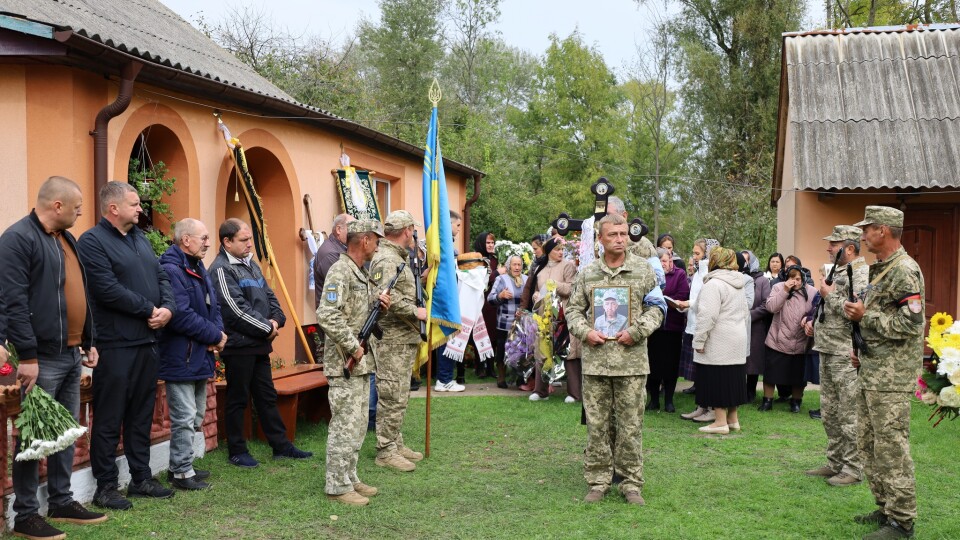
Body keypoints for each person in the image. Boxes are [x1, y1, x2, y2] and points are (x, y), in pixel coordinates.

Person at [0, 177, 107, 538]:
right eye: (76, 205)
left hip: (70, 352)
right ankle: (26, 515)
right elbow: (13, 303)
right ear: (57, 205)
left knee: (63, 432)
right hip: (40, 359)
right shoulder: (17, 239)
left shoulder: (66, 239)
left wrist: (88, 339)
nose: (81, 211)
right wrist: (27, 356)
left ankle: (61, 500)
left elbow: (79, 292)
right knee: (32, 437)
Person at [77, 181, 177, 510]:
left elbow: (161, 275)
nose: (140, 209)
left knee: (140, 414)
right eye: (134, 204)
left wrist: (167, 308)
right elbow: (105, 288)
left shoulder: (140, 238)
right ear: (113, 208)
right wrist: (148, 309)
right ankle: (105, 487)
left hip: (147, 341)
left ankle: (141, 478)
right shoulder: (92, 241)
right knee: (110, 416)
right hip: (116, 343)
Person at [565, 213, 664, 506]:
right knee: (597, 425)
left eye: (623, 234)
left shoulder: (643, 270)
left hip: (631, 363)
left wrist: (637, 330)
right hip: (596, 362)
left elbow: (658, 308)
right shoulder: (588, 273)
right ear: (601, 239)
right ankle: (598, 481)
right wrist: (585, 332)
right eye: (614, 235)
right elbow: (572, 311)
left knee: (631, 424)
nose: (620, 239)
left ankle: (631, 483)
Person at [842, 206, 924, 539]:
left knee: (892, 448)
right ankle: (886, 507)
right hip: (873, 371)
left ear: (884, 231)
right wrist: (862, 347)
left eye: (867, 228)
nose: (862, 235)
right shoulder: (881, 268)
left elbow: (911, 323)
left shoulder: (904, 270)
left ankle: (902, 521)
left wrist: (865, 318)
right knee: (869, 445)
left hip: (892, 379)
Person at [209, 218, 312, 468]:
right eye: (243, 240)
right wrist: (267, 328)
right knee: (238, 398)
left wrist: (276, 321)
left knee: (266, 396)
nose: (249, 245)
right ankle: (237, 450)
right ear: (227, 241)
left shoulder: (251, 264)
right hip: (239, 346)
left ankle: (281, 445)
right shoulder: (221, 269)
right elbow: (235, 310)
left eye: (250, 240)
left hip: (259, 344)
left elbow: (270, 297)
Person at [316, 219, 391, 506]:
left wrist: (381, 308)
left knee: (358, 424)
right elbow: (327, 315)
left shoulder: (360, 272)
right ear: (365, 240)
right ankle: (336, 485)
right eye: (377, 240)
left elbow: (360, 316)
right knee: (344, 424)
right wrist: (352, 347)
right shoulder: (340, 270)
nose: (378, 245)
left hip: (361, 362)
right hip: (344, 363)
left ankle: (350, 477)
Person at [157, 218, 226, 491]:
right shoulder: (171, 270)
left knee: (196, 415)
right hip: (180, 356)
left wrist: (218, 333)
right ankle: (181, 473)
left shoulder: (198, 267)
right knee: (184, 416)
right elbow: (180, 316)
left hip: (200, 353)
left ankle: (184, 464)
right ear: (186, 240)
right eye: (204, 238)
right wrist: (214, 335)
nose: (209, 243)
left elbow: (214, 306)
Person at [802, 225, 867, 488]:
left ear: (849, 248)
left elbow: (855, 311)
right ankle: (835, 462)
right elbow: (827, 305)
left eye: (833, 243)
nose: (828, 248)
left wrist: (830, 298)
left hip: (845, 352)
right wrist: (813, 322)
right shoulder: (837, 271)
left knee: (849, 413)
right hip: (827, 348)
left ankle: (853, 467)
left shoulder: (861, 274)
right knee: (830, 412)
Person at [368, 211, 427, 473]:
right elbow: (383, 299)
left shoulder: (398, 258)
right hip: (391, 340)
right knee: (392, 395)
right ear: (407, 230)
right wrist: (416, 312)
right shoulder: (386, 260)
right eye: (413, 229)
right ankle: (385, 450)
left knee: (400, 394)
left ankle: (395, 441)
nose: (414, 234)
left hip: (404, 339)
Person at [691, 247, 749, 434]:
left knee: (716, 378)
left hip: (718, 339)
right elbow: (745, 313)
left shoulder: (714, 284)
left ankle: (720, 422)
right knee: (732, 378)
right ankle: (733, 420)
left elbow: (707, 316)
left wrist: (699, 341)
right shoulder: (739, 283)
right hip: (737, 338)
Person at [522, 236, 577, 401]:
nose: (560, 252)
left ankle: (574, 393)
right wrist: (535, 296)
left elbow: (572, 288)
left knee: (569, 351)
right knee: (543, 351)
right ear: (549, 252)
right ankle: (541, 391)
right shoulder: (541, 269)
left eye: (562, 250)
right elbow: (536, 290)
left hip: (563, 315)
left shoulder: (568, 266)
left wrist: (556, 285)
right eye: (557, 250)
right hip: (544, 316)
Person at [758, 264, 816, 413]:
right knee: (771, 373)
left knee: (798, 376)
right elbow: (771, 308)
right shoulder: (778, 287)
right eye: (791, 278)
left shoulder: (812, 292)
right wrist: (785, 290)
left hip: (800, 340)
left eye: (798, 279)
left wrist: (809, 320)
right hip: (777, 338)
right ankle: (767, 401)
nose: (795, 282)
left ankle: (796, 402)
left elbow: (815, 312)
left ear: (803, 279)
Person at [646, 247, 690, 412]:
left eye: (667, 260)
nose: (666, 264)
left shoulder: (679, 274)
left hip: (672, 327)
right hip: (654, 328)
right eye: (662, 261)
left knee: (671, 366)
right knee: (653, 365)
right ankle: (654, 400)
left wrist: (664, 302)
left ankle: (669, 401)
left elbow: (683, 295)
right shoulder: (650, 276)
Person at [678, 238, 717, 421]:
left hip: (704, 326)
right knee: (698, 371)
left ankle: (711, 407)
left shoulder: (710, 271)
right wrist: (684, 306)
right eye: (693, 253)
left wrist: (688, 304)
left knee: (707, 370)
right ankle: (701, 406)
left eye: (697, 253)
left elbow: (706, 299)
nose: (694, 256)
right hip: (692, 323)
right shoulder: (698, 271)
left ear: (707, 253)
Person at [433, 211, 466, 391]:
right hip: (444, 298)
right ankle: (444, 379)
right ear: (449, 224)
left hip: (448, 296)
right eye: (457, 225)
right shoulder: (442, 245)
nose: (459, 229)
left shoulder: (448, 245)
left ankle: (444, 377)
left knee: (449, 337)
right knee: (446, 336)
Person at [487, 254, 527, 389]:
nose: (517, 267)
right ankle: (502, 376)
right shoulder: (501, 279)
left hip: (522, 324)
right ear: (509, 266)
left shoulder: (526, 280)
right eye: (514, 264)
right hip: (504, 323)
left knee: (521, 350)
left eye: (519, 264)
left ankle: (520, 378)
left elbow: (532, 300)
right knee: (502, 349)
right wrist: (500, 295)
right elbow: (490, 299)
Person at [743, 250, 772, 402]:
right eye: (743, 260)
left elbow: (766, 304)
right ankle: (739, 390)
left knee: (753, 361)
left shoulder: (762, 281)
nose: (746, 263)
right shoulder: (738, 278)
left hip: (755, 326)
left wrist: (749, 316)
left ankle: (751, 392)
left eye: (748, 260)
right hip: (739, 325)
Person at [472, 231, 501, 378]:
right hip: (480, 301)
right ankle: (479, 366)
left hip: (493, 302)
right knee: (481, 332)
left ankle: (490, 366)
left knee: (493, 334)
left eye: (492, 243)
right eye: (488, 243)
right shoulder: (476, 259)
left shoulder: (494, 259)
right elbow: (479, 279)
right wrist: (497, 273)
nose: (490, 245)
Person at [313, 213, 355, 308]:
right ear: (339, 229)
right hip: (333, 317)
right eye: (352, 228)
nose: (355, 232)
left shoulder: (342, 248)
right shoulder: (330, 254)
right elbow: (345, 286)